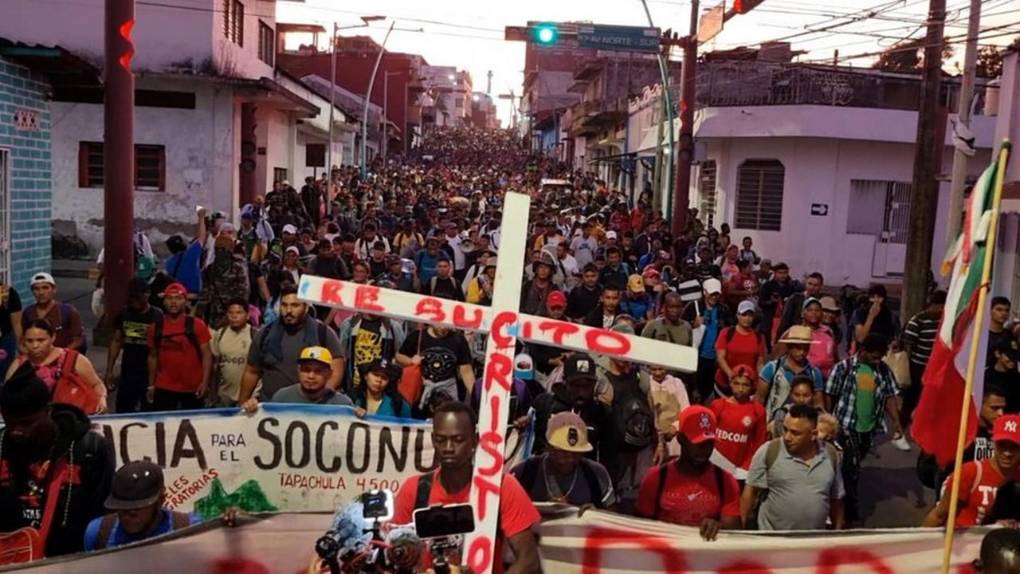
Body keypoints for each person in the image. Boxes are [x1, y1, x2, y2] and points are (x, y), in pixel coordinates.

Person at [392, 401, 541, 574]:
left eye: (458, 440)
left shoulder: (501, 487)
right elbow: (394, 557)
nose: (448, 448)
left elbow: (529, 563)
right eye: (441, 440)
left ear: (474, 441)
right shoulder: (414, 489)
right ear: (433, 440)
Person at [0, 367, 113, 557]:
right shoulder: (2, 446)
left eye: (27, 423)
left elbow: (101, 519)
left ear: (47, 411)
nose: (17, 431)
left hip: (69, 563)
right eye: (10, 423)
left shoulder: (88, 449)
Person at [826, 333, 907, 524]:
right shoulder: (844, 368)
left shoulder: (884, 371)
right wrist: (827, 421)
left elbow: (889, 396)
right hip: (846, 426)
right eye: (874, 356)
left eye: (880, 356)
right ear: (863, 352)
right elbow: (830, 393)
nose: (877, 360)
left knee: (854, 467)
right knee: (850, 469)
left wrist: (897, 422)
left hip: (868, 429)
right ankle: (849, 513)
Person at [635, 406, 742, 540]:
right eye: (698, 443)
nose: (705, 449)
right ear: (681, 439)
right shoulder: (655, 478)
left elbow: (735, 536)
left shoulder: (726, 481)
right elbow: (639, 529)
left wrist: (719, 527)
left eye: (709, 443)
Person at [741, 404, 845, 530]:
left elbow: (836, 500)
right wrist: (740, 536)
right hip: (773, 543)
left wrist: (837, 534)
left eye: (795, 433)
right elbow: (749, 494)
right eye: (785, 429)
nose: (787, 437)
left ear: (813, 434)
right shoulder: (769, 451)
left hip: (813, 543)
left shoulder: (830, 455)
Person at [239, 284, 344, 403]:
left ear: (306, 307)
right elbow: (251, 372)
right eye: (284, 305)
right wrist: (241, 407)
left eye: (295, 305)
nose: (288, 311)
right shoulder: (265, 334)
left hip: (312, 408)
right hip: (271, 408)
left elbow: (336, 369)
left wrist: (323, 399)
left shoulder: (323, 333)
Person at [922, 415, 1020, 528]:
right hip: (961, 543)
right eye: (1001, 445)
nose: (1007, 453)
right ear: (993, 443)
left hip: (1003, 543)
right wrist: (918, 543)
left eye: (1014, 447)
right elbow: (939, 515)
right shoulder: (970, 473)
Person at [83, 461, 201, 551]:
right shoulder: (98, 533)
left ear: (160, 500)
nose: (128, 516)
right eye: (122, 507)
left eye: (137, 508)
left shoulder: (190, 530)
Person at [511, 412, 616, 508]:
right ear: (548, 447)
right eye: (563, 451)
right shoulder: (525, 472)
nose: (570, 458)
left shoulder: (596, 474)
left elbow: (613, 517)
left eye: (576, 453)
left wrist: (595, 514)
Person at [6, 319, 107, 414]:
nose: (35, 345)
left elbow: (97, 384)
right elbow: (7, 394)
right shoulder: (18, 365)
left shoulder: (73, 359)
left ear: (53, 337)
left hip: (69, 418)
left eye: (41, 340)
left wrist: (102, 398)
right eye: (29, 341)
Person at [532, 354, 615, 465]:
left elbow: (609, 456)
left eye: (587, 386)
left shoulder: (602, 412)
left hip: (583, 477)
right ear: (564, 381)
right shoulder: (544, 404)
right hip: (548, 474)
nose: (582, 392)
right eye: (576, 385)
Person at [144, 283, 212, 411]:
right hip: (165, 386)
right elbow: (152, 356)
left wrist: (205, 382)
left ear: (185, 301)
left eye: (178, 298)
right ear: (164, 301)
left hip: (193, 386)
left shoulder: (197, 325)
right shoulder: (155, 328)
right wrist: (151, 385)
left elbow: (207, 355)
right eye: (169, 298)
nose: (173, 302)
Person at [106, 278, 162, 413]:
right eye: (132, 298)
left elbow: (157, 350)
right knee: (123, 409)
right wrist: (109, 370)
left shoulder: (156, 315)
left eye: (138, 298)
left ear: (147, 295)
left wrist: (152, 382)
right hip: (128, 370)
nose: (134, 302)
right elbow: (116, 341)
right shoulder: (124, 313)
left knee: (148, 410)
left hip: (149, 372)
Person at [243, 346, 353, 411]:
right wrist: (253, 411)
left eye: (318, 371)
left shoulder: (343, 405)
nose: (311, 376)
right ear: (298, 370)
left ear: (329, 373)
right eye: (306, 369)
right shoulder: (281, 398)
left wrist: (361, 418)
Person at [759, 326, 825, 423]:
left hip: (802, 425)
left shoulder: (814, 373)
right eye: (798, 348)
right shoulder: (772, 368)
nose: (802, 352)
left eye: (805, 349)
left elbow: (818, 404)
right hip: (772, 423)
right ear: (789, 347)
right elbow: (759, 399)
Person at [901, 290, 946, 427]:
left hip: (936, 366)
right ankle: (903, 423)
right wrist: (907, 369)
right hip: (918, 365)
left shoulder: (943, 322)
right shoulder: (917, 321)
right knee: (912, 396)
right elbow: (908, 346)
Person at [683, 278, 732, 403]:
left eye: (717, 294)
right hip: (696, 356)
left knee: (708, 389)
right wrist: (692, 324)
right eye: (712, 294)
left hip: (714, 358)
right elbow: (681, 326)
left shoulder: (723, 310)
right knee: (693, 389)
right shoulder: (693, 307)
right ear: (704, 292)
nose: (715, 297)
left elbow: (730, 329)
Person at [710, 366, 768, 473]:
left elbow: (759, 442)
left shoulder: (758, 411)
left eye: (745, 385)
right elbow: (708, 435)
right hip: (714, 463)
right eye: (737, 384)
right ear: (731, 383)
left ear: (751, 387)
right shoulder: (718, 405)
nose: (740, 389)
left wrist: (747, 467)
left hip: (741, 468)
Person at [714, 300, 766, 399]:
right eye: (744, 314)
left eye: (750, 315)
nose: (747, 318)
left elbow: (760, 362)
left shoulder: (758, 337)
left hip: (747, 387)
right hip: (725, 385)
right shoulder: (726, 333)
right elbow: (720, 357)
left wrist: (761, 382)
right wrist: (731, 375)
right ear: (737, 315)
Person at [20, 272, 84, 352]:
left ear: (54, 289)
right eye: (36, 289)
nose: (41, 292)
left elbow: (78, 340)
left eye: (45, 288)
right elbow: (23, 339)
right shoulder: (28, 313)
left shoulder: (68, 311)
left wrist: (62, 354)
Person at [209, 298, 254, 407]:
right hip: (224, 394)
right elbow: (215, 365)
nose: (234, 316)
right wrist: (213, 392)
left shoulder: (255, 335)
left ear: (247, 315)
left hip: (248, 396)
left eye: (239, 312)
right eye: (231, 313)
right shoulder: (221, 334)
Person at [777, 272, 823, 339]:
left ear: (821, 286)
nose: (812, 287)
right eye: (810, 284)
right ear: (805, 284)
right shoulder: (795, 298)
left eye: (816, 285)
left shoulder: (822, 301)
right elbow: (785, 320)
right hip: (795, 336)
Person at [801, 297, 839, 379]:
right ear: (803, 313)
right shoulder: (798, 331)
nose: (814, 313)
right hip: (806, 377)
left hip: (827, 378)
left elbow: (834, 354)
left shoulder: (828, 331)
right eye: (810, 310)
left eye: (817, 310)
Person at [986, 337, 1020, 414]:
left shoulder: (1017, 379)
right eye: (1009, 356)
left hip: (1011, 422)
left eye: (1015, 356)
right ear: (997, 353)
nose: (1013, 360)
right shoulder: (985, 376)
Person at [0, 278, 23, 377]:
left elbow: (17, 324)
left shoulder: (8, 293)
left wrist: (21, 347)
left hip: (4, 341)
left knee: (4, 375)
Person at [988, 296, 1013, 364]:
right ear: (991, 311)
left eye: (1007, 310)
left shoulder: (1011, 335)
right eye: (999, 309)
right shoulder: (983, 335)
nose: (1003, 313)